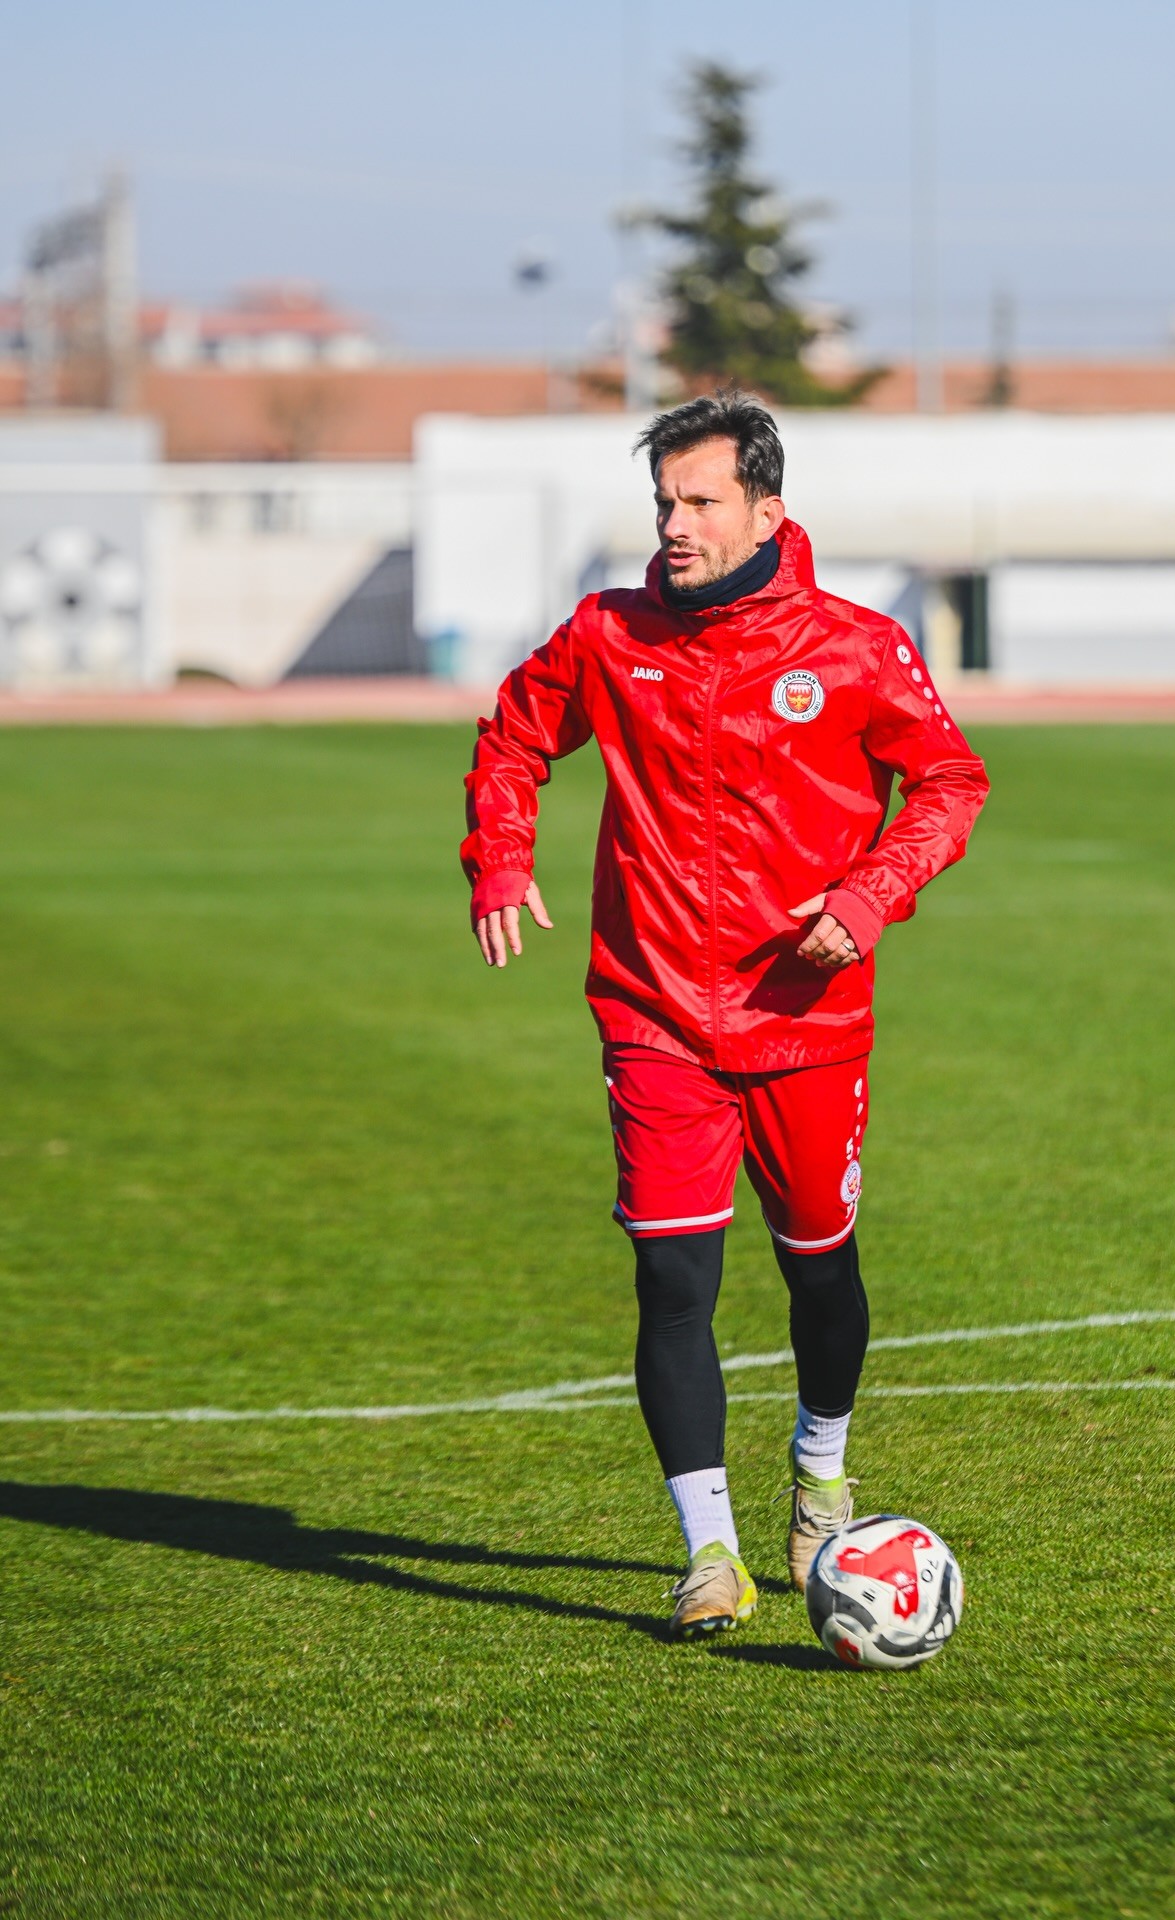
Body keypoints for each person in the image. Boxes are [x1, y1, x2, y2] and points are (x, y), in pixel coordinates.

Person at [461, 390, 988, 1639]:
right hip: (654, 1011)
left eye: (700, 501)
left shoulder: (855, 647)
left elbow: (950, 780)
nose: (675, 524)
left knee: (820, 1268)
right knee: (672, 1276)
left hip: (805, 1017)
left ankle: (820, 1476)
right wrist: (501, 858)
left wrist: (870, 896)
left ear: (765, 509)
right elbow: (514, 737)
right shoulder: (608, 633)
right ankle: (709, 1553)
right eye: (664, 502)